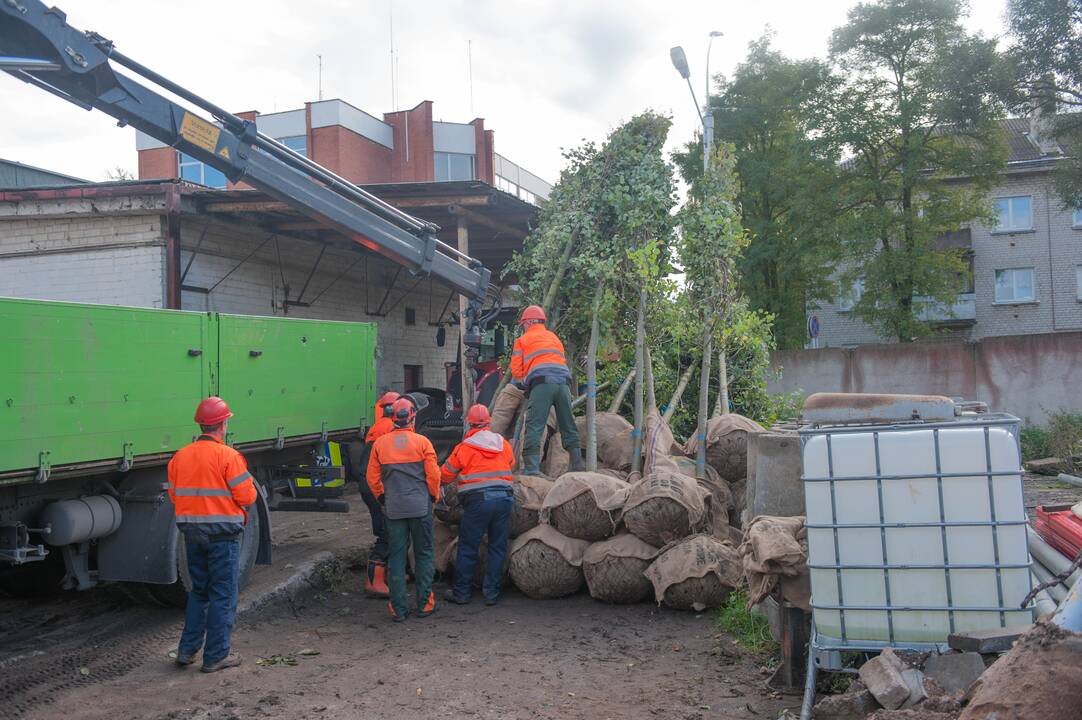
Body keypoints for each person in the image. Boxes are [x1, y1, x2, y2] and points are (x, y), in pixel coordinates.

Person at [167, 396, 257, 673]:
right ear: (223, 424)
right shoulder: (228, 456)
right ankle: (217, 655)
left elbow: (174, 495)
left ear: (201, 425)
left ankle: (186, 650)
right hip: (222, 538)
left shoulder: (180, 457)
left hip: (193, 535)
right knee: (223, 596)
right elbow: (247, 496)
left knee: (199, 593)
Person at [366, 397, 441, 622]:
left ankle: (398, 609)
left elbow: (372, 477)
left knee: (397, 557)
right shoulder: (422, 442)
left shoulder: (380, 444)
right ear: (412, 417)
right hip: (420, 507)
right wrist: (432, 497)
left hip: (394, 508)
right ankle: (425, 605)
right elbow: (434, 475)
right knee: (424, 554)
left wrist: (382, 497)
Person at [440, 404, 515, 606]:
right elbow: (511, 463)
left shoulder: (464, 447)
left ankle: (462, 593)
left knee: (468, 546)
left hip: (478, 502)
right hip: (505, 499)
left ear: (469, 423)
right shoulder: (502, 442)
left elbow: (445, 475)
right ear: (488, 422)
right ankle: (491, 593)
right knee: (498, 546)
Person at [510, 305, 584, 475]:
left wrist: (523, 384)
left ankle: (531, 468)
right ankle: (578, 464)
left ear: (528, 323)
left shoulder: (522, 340)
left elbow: (516, 372)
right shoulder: (554, 337)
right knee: (568, 424)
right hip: (564, 383)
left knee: (535, 425)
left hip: (542, 383)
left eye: (523, 325)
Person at [356, 391, 400, 597]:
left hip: (371, 486)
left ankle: (393, 573)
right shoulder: (390, 429)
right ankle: (374, 581)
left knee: (389, 530)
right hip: (378, 487)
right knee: (387, 532)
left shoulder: (377, 428)